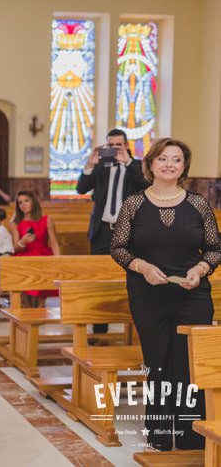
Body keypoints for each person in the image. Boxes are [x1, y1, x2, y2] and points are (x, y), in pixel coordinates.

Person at [111, 138, 220, 452]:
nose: (169, 164)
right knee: (157, 361)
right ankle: (159, 435)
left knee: (189, 364)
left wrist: (200, 269)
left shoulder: (198, 204)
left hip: (193, 295)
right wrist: (142, 266)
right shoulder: (134, 203)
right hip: (148, 294)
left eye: (176, 159)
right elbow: (118, 248)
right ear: (151, 164)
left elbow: (215, 248)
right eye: (163, 158)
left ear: (184, 166)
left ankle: (192, 437)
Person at [77, 128, 149, 336]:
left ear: (126, 145)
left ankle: (133, 324)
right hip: (102, 231)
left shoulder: (137, 166)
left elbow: (146, 186)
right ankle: (100, 328)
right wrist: (89, 165)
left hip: (128, 233)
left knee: (131, 276)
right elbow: (81, 188)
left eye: (118, 145)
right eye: (110, 145)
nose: (114, 149)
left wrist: (127, 162)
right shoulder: (101, 167)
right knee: (98, 279)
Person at [11, 190, 61, 307]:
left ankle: (40, 305)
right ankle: (26, 305)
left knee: (43, 265)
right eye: (20, 202)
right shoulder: (15, 223)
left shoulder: (46, 220)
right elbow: (15, 248)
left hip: (42, 254)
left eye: (26, 201)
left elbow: (54, 243)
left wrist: (59, 260)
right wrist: (23, 242)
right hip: (24, 255)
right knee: (26, 266)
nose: (23, 204)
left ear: (33, 202)